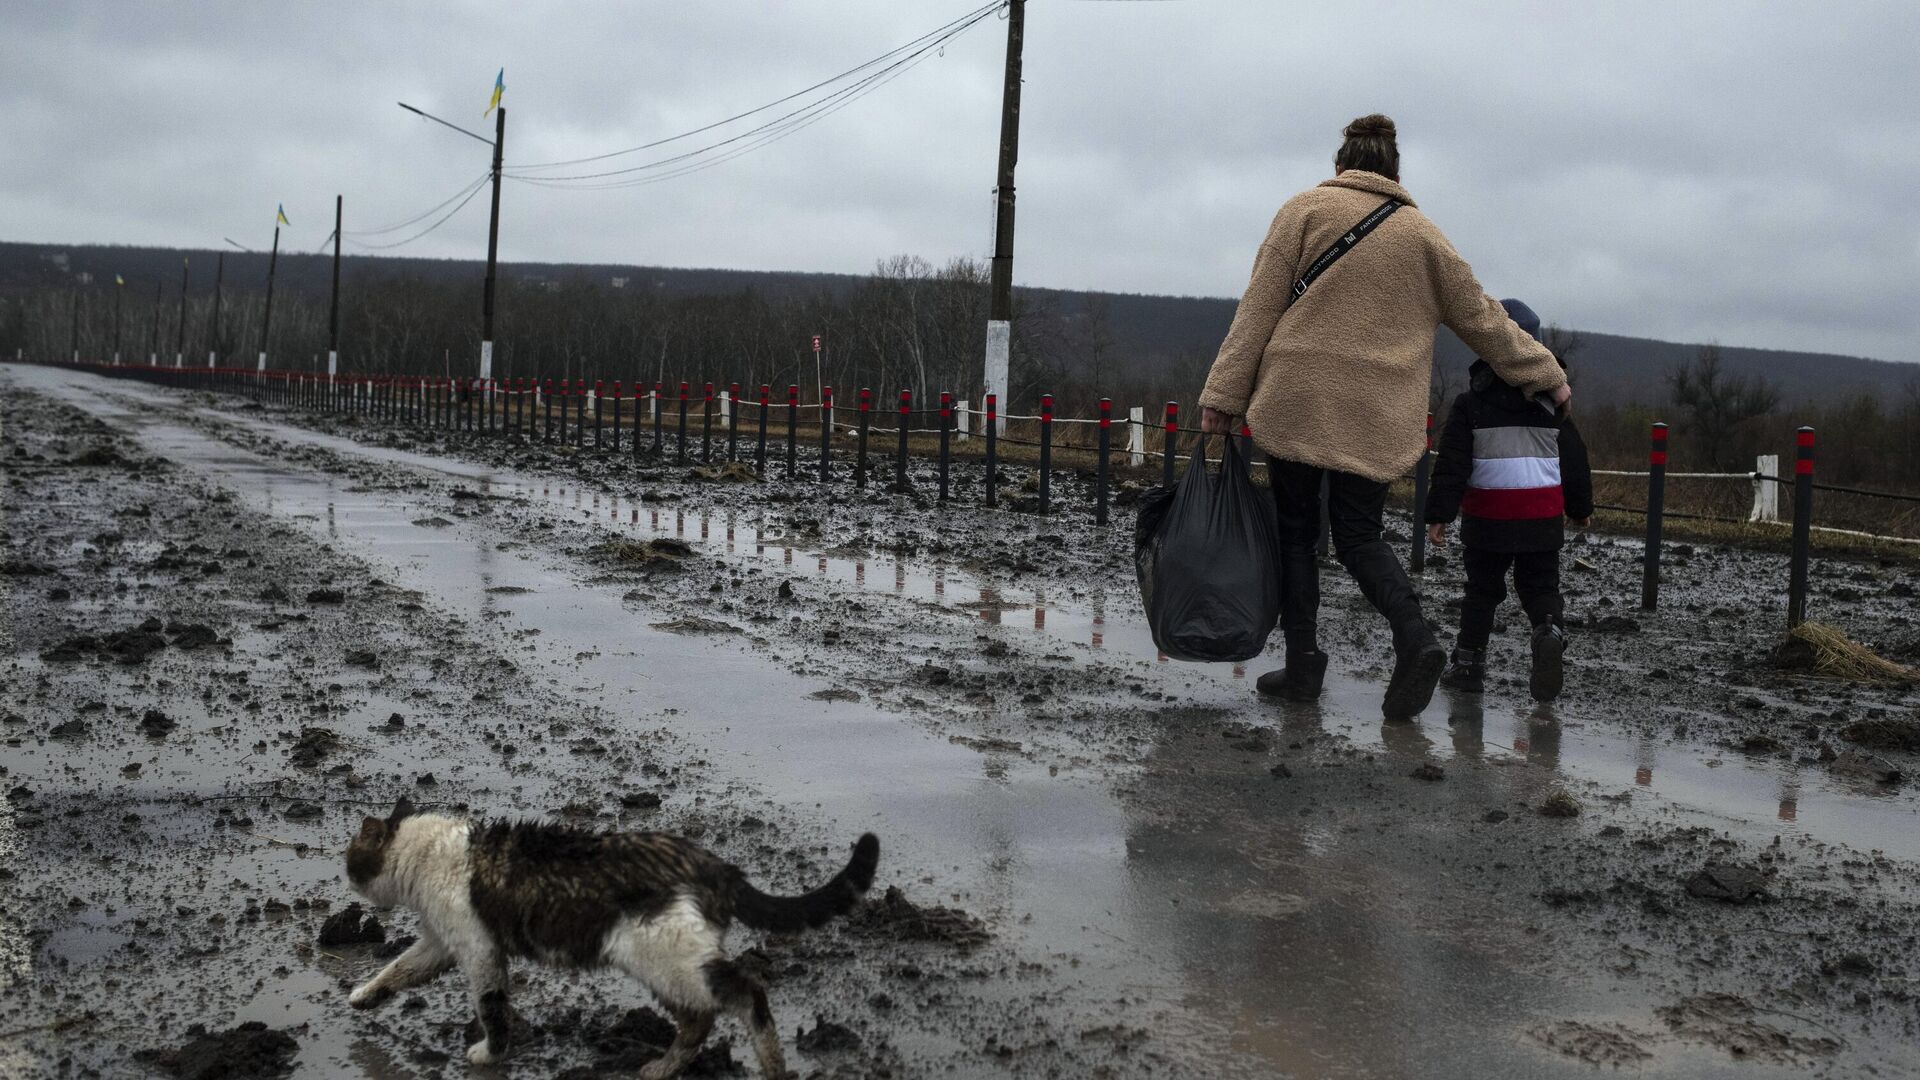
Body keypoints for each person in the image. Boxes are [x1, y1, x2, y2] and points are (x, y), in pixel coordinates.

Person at [1199, 114, 1569, 720]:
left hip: (1299, 396)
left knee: (1296, 534)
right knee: (1358, 536)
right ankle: (1415, 637)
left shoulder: (1302, 211)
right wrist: (1546, 373)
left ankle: (1302, 667)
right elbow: (1485, 320)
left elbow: (1258, 308)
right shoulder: (1424, 237)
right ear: (1395, 172)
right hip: (1375, 411)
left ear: (1341, 165)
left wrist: (1222, 396)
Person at [1423, 299, 1593, 702]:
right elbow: (1574, 458)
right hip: (1541, 518)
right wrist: (1580, 508)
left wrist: (1439, 515)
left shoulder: (1470, 404)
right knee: (1540, 587)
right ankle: (1548, 632)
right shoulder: (1553, 406)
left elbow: (1452, 464)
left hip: (1488, 518)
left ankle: (1468, 665)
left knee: (1482, 590)